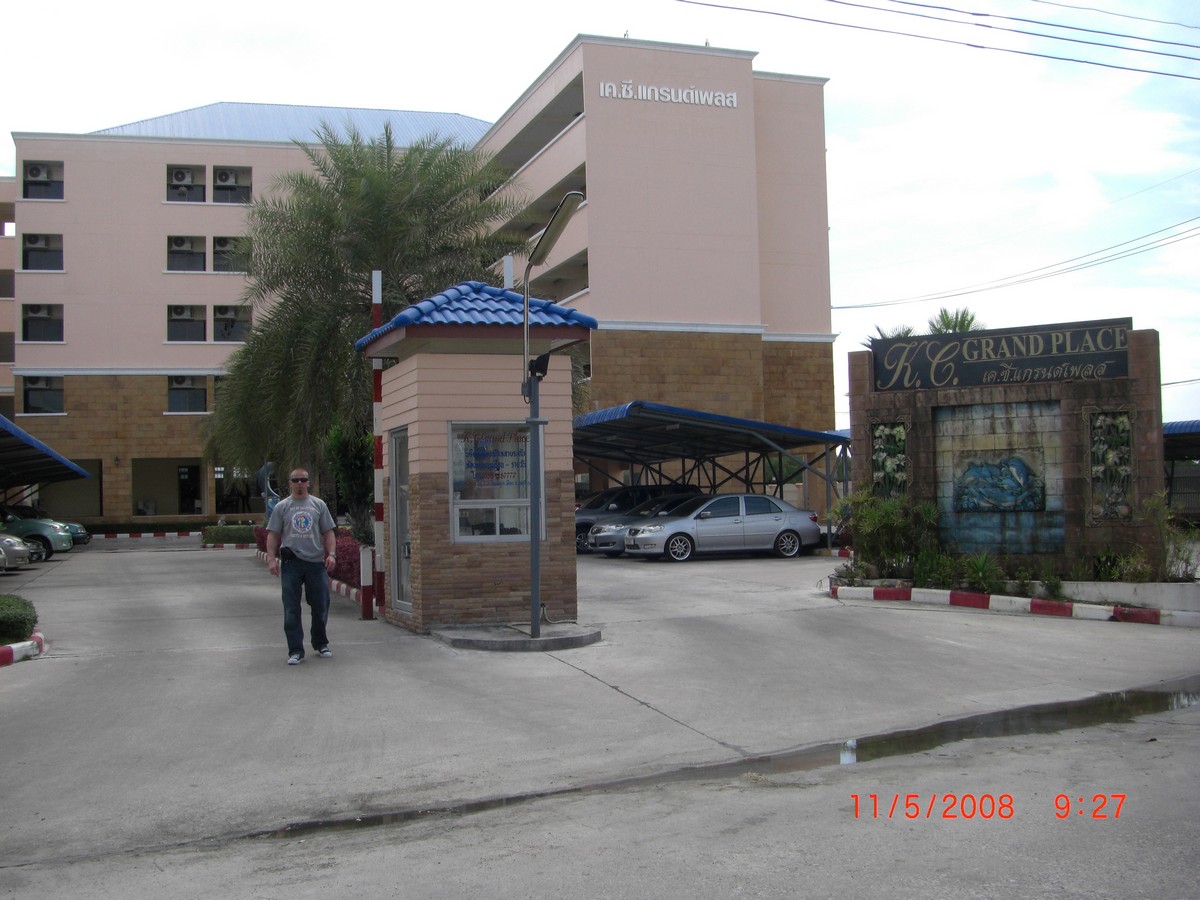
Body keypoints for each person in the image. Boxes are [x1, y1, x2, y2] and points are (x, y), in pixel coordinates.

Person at [266, 468, 338, 665]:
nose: (299, 483)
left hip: (315, 563)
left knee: (321, 604)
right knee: (291, 608)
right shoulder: (282, 507)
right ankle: (296, 650)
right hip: (291, 564)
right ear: (290, 483)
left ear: (308, 483)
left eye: (303, 480)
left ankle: (320, 643)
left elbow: (328, 532)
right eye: (295, 480)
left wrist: (331, 555)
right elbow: (273, 534)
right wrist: (271, 559)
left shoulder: (318, 505)